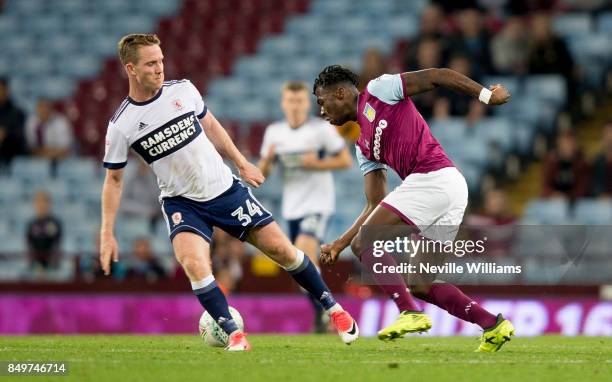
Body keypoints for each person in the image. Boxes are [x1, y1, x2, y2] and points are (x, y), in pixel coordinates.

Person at [99, 34, 358, 351]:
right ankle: (235, 335)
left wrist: (241, 163)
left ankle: (336, 311)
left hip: (224, 190)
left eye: (161, 61)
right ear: (131, 69)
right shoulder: (122, 124)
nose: (159, 68)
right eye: (151, 63)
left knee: (283, 252)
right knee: (194, 262)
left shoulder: (183, 90)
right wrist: (107, 232)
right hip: (181, 201)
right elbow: (113, 180)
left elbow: (212, 127)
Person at [314, 64, 514, 352]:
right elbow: (373, 203)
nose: (321, 111)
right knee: (420, 283)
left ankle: (409, 313)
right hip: (447, 189)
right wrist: (340, 243)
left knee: (366, 243)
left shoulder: (378, 90)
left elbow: (438, 76)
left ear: (341, 93)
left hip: (435, 177)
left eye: (322, 102)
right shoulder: (363, 146)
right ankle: (493, 325)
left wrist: (486, 96)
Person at [258, 81, 352, 333]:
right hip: (292, 207)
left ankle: (329, 311)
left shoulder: (320, 130)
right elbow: (262, 173)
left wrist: (316, 164)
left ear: (307, 103)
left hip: (318, 202)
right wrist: (267, 159)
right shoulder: (274, 132)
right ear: (283, 103)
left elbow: (345, 160)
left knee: (305, 250)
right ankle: (322, 315)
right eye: (291, 100)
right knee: (297, 262)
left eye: (299, 101)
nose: (295, 106)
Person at [542, 132, 590, 200]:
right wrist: (553, 195)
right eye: (565, 143)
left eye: (570, 143)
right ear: (559, 144)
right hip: (555, 200)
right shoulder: (552, 162)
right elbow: (546, 186)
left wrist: (567, 197)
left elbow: (583, 189)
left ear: (575, 144)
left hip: (576, 201)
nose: (568, 146)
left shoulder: (582, 163)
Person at [26, 191, 62, 273]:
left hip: (52, 267)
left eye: (44, 202)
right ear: (34, 204)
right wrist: (35, 264)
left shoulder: (55, 223)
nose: (41, 205)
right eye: (39, 202)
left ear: (49, 204)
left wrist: (51, 264)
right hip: (35, 267)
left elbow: (56, 245)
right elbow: (29, 246)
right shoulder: (31, 223)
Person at [0, 77, 27, 169]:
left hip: (11, 156)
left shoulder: (17, 113)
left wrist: (6, 134)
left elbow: (21, 137)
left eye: (2, 89)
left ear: (7, 90)